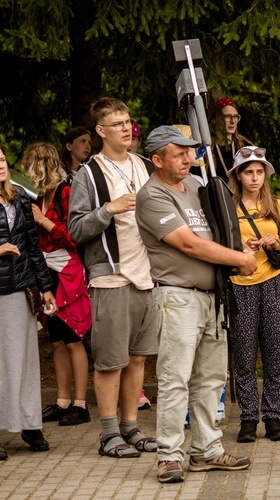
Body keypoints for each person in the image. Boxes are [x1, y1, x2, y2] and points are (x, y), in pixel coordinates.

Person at [136, 126, 256, 483]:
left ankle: (206, 450)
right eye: (178, 154)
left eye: (190, 152)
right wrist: (237, 257)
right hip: (177, 297)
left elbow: (215, 230)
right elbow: (188, 244)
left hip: (211, 297)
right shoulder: (152, 195)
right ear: (157, 160)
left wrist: (240, 248)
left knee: (211, 378)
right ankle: (169, 455)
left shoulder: (193, 186)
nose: (189, 159)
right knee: (175, 379)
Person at [68, 97, 160, 458]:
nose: (126, 128)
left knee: (137, 359)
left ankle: (130, 428)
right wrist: (110, 208)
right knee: (110, 362)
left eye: (128, 121)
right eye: (118, 123)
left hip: (147, 277)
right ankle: (108, 435)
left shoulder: (142, 164)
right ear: (101, 131)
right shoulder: (88, 174)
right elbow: (76, 229)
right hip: (112, 279)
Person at [227, 145, 280, 443]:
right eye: (248, 172)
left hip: (274, 283)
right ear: (238, 176)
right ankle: (247, 418)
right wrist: (240, 250)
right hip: (239, 285)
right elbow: (217, 249)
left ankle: (272, 416)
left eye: (259, 172)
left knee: (274, 352)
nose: (254, 178)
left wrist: (275, 244)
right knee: (243, 355)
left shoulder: (279, 206)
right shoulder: (227, 207)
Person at [21, 143, 91, 427]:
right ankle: (62, 402)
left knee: (74, 339)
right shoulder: (40, 196)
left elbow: (77, 237)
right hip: (48, 276)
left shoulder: (65, 193)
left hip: (69, 276)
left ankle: (81, 404)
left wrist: (44, 223)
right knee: (57, 341)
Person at [0, 142, 58, 461]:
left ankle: (30, 424)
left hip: (21, 288)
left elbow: (34, 247)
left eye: (3, 159)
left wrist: (45, 287)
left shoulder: (21, 197)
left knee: (24, 359)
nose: (1, 165)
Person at [212, 97, 253, 182]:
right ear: (216, 118)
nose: (233, 121)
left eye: (236, 116)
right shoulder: (207, 149)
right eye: (228, 116)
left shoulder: (245, 147)